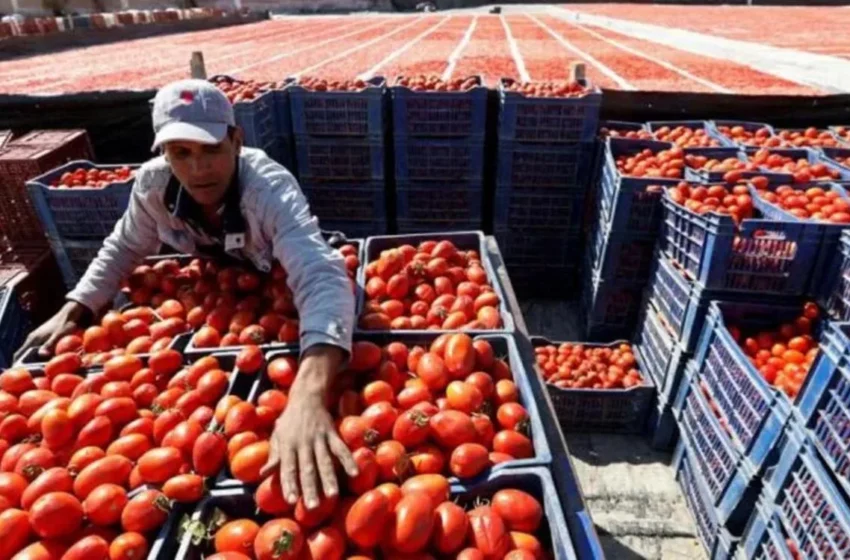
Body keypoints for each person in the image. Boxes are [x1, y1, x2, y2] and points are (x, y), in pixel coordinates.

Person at [14, 79, 357, 510]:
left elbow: (319, 274)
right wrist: (76, 306)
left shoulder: (268, 188)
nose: (198, 169)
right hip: (225, 292)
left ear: (236, 140)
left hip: (279, 278)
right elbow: (123, 247)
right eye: (181, 153)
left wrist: (307, 396)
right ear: (164, 154)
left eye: (211, 149)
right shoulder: (154, 186)